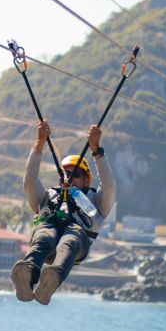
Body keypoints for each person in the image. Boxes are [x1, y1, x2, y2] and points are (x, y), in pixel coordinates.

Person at [11, 120, 116, 305]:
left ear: (86, 180)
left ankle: (52, 277)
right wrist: (39, 143)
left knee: (70, 240)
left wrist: (97, 152)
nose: (68, 178)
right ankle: (28, 272)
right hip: (48, 230)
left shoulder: (95, 200)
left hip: (76, 240)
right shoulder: (49, 195)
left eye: (74, 175)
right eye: (64, 174)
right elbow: (29, 181)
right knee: (44, 237)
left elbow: (109, 186)